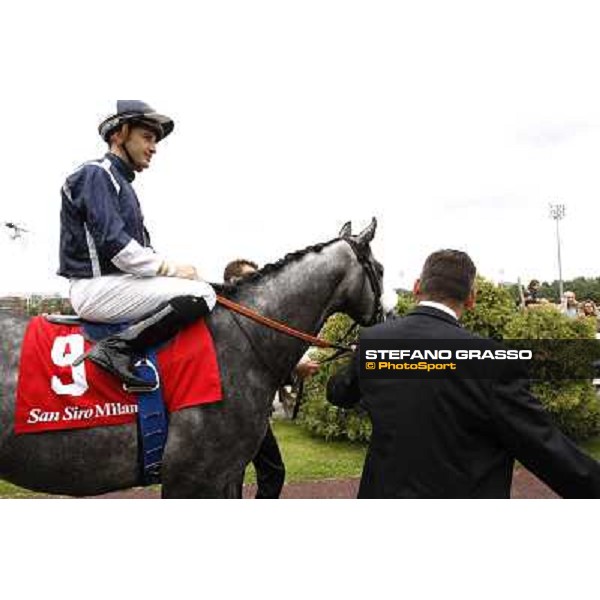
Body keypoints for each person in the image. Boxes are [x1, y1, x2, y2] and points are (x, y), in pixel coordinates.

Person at [326, 249, 600, 498]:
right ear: (471, 299)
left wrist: (358, 358)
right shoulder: (491, 361)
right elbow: (545, 449)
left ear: (417, 287)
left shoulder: (374, 341)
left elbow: (338, 393)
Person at [58, 101, 216, 388]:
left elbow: (140, 251)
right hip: (97, 288)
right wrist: (171, 268)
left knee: (204, 288)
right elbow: (117, 247)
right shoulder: (96, 173)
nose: (154, 147)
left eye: (155, 140)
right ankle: (117, 349)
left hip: (115, 284)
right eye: (147, 137)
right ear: (119, 134)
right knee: (202, 294)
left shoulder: (120, 182)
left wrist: (172, 270)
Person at [224, 258, 319, 498]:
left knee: (273, 472)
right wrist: (293, 369)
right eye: (251, 279)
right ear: (232, 283)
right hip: (229, 416)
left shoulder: (256, 322)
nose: (258, 285)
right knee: (230, 482)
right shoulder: (226, 321)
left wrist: (293, 367)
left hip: (255, 414)